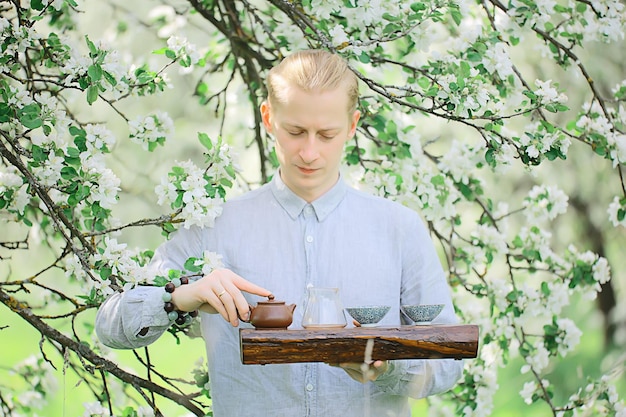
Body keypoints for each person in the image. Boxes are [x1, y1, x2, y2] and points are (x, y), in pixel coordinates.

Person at [96, 49, 463, 417]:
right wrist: (179, 298)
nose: (309, 152)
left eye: (327, 134)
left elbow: (448, 363)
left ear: (352, 126)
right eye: (295, 131)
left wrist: (388, 367)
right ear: (268, 118)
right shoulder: (213, 226)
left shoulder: (399, 228)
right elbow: (110, 325)